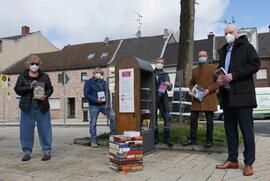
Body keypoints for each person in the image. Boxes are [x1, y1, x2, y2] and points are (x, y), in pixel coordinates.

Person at [215, 24, 260, 176]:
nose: (228, 35)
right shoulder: (222, 50)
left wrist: (234, 75)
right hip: (227, 97)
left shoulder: (246, 47)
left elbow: (255, 64)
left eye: (231, 32)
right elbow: (220, 70)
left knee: (247, 131)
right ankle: (233, 160)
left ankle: (248, 163)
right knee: (230, 130)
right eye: (226, 33)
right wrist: (219, 80)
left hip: (243, 96)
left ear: (237, 33)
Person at [14, 54, 54, 161]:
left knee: (45, 128)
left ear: (39, 65)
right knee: (26, 130)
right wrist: (29, 86)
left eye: (36, 64)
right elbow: (17, 89)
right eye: (32, 64)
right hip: (27, 106)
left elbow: (50, 88)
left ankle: (46, 151)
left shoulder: (45, 76)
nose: (34, 66)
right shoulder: (22, 76)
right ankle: (26, 151)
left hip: (42, 105)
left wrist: (46, 94)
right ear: (28, 64)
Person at [183, 51, 218, 148]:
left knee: (209, 121)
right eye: (200, 56)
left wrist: (208, 89)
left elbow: (218, 83)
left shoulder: (214, 68)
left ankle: (209, 140)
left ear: (207, 57)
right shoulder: (194, 70)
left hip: (209, 97)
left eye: (203, 55)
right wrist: (192, 90)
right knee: (193, 120)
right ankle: (192, 139)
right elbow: (191, 84)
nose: (201, 57)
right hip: (197, 99)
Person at [84, 67, 115, 148]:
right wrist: (95, 100)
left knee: (113, 116)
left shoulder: (104, 82)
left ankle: (112, 136)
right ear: (93, 73)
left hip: (104, 105)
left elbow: (107, 93)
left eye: (100, 72)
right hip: (94, 105)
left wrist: (108, 103)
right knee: (93, 122)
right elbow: (86, 94)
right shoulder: (89, 82)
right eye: (97, 72)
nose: (98, 74)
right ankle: (93, 140)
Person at [154, 58, 173, 147]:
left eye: (161, 63)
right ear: (155, 63)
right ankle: (155, 138)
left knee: (167, 118)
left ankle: (167, 139)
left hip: (164, 100)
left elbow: (169, 87)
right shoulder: (152, 73)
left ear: (163, 64)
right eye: (158, 62)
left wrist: (169, 84)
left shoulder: (165, 74)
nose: (159, 64)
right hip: (154, 99)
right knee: (153, 119)